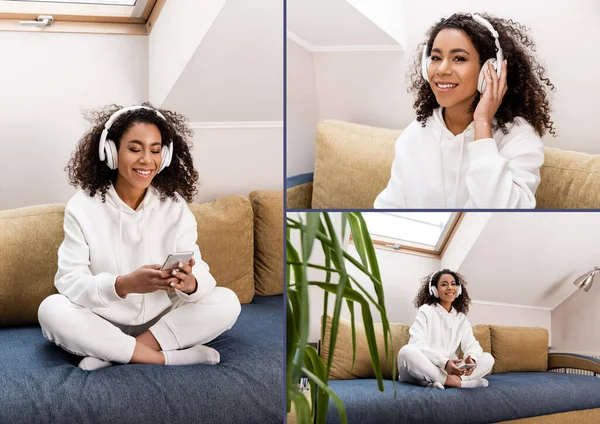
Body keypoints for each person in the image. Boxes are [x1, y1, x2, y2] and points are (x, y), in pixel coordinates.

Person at [37, 104, 241, 371]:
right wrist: (123, 285)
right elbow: (69, 280)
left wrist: (189, 282)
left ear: (165, 156)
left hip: (162, 320)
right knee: (51, 309)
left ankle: (117, 353)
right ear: (111, 152)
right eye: (135, 149)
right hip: (101, 319)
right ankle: (164, 358)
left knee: (227, 301)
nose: (147, 159)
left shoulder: (174, 205)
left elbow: (198, 267)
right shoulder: (82, 206)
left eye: (155, 150)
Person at [374, 13, 555, 209]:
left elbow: (502, 214)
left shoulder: (518, 137)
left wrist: (482, 124)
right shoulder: (414, 135)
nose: (442, 69)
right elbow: (389, 205)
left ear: (490, 69)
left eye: (459, 58)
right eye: (436, 57)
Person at [397, 269, 494, 389]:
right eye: (444, 284)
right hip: (426, 366)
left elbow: (472, 344)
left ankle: (440, 382)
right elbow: (416, 342)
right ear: (434, 290)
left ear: (458, 290)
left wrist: (472, 358)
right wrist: (445, 363)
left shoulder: (461, 318)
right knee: (406, 352)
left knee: (488, 358)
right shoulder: (426, 310)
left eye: (453, 284)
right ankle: (459, 383)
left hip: (450, 370)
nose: (450, 287)